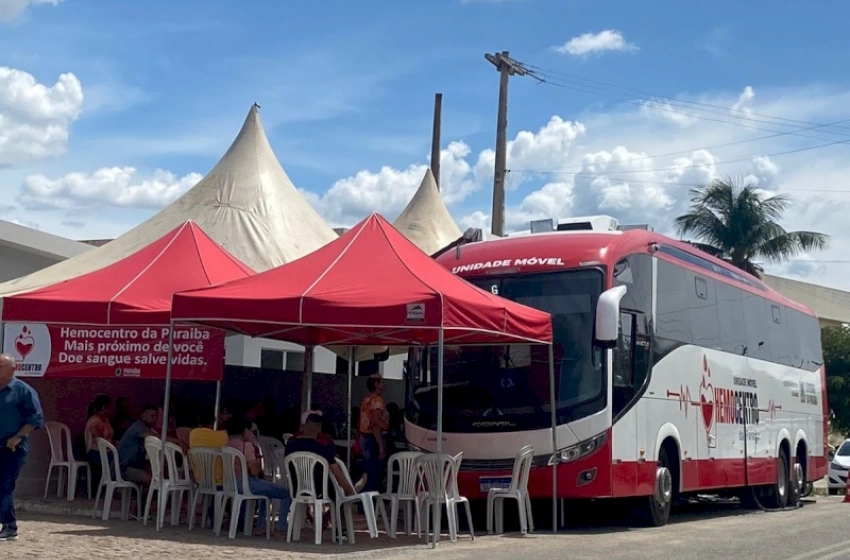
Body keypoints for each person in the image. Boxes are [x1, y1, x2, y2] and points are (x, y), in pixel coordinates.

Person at [0, 354, 44, 542]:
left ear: (12, 368)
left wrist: (17, 437)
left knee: (4, 485)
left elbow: (35, 418)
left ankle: (10, 526)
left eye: (1, 365)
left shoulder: (23, 390)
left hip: (12, 448)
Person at [225, 417, 291, 534]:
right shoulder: (247, 446)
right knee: (286, 493)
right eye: (250, 431)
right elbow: (255, 471)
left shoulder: (227, 445)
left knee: (267, 490)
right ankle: (281, 525)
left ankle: (260, 523)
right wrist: (259, 457)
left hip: (231, 484)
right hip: (247, 484)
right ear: (245, 431)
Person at [358, 375, 389, 493]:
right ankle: (371, 501)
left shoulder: (366, 399)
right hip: (374, 438)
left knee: (367, 471)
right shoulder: (377, 401)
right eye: (382, 382)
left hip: (364, 437)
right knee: (375, 472)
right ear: (376, 384)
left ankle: (363, 501)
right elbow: (376, 423)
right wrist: (381, 444)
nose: (385, 384)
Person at [116, 404, 160, 486]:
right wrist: (176, 441)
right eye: (152, 416)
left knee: (154, 474)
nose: (154, 419)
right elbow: (153, 437)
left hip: (133, 466)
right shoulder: (138, 427)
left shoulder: (143, 427)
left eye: (156, 417)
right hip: (124, 468)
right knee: (151, 480)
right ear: (143, 415)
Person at [84, 394, 114, 487]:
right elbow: (98, 437)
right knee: (117, 460)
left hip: (106, 452)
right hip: (95, 453)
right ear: (104, 407)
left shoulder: (106, 420)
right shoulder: (94, 420)